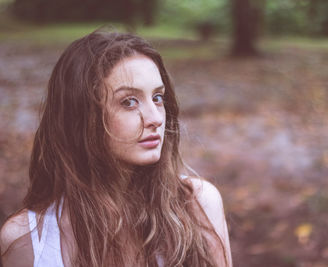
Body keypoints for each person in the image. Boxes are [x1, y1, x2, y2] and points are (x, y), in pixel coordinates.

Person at [0, 30, 232, 267]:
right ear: (82, 118)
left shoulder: (198, 205)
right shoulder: (28, 241)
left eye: (158, 98)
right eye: (129, 102)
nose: (155, 118)